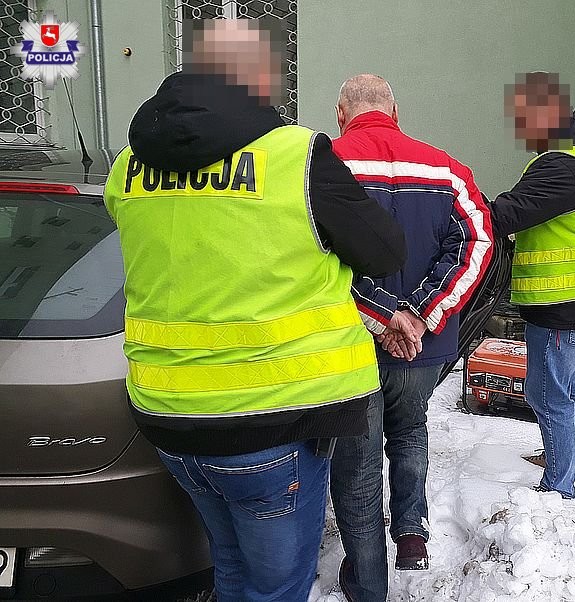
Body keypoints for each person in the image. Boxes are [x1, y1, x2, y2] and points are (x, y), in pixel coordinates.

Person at [103, 21, 407, 602]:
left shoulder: (127, 165)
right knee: (277, 587)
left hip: (168, 418)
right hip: (270, 422)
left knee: (232, 569)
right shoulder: (296, 155)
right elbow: (386, 251)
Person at [329, 74, 493, 602]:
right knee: (410, 429)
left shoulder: (325, 165)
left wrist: (384, 316)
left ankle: (367, 582)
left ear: (341, 114)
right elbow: (477, 240)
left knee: (357, 459)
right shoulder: (446, 168)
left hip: (350, 346)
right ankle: (411, 534)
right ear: (395, 112)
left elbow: (316, 257)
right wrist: (422, 314)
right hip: (425, 348)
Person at [491, 72, 575, 500]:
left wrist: (459, 206)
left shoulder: (565, 166)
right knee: (568, 384)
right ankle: (568, 459)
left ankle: (558, 486)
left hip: (562, 302)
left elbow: (509, 213)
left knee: (548, 393)